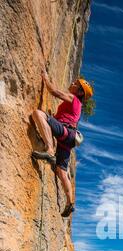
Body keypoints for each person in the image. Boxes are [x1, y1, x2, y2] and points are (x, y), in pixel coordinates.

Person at [31, 71, 93, 217]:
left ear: (79, 92)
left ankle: (50, 150)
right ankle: (69, 202)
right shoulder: (76, 106)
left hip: (66, 132)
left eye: (75, 84)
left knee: (38, 114)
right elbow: (63, 117)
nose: (72, 83)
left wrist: (46, 79)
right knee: (61, 171)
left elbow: (53, 91)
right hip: (69, 138)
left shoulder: (73, 98)